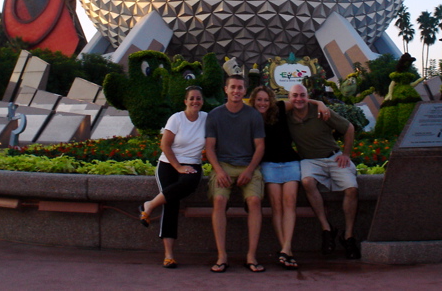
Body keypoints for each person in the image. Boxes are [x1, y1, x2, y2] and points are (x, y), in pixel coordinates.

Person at [249, 85, 331, 270]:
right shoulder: (251, 118)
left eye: (265, 99)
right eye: (259, 100)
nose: (263, 103)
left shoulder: (279, 108)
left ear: (270, 101)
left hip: (290, 162)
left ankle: (286, 249)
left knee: (290, 202)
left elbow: (299, 100)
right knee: (277, 206)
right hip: (268, 165)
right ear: (254, 101)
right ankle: (287, 251)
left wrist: (319, 103)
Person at [286, 83, 361, 260]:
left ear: (307, 96)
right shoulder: (287, 115)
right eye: (295, 96)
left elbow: (348, 128)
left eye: (302, 95)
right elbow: (271, 104)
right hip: (309, 160)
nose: (299, 99)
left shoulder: (320, 112)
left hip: (333, 157)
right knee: (307, 182)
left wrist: (346, 154)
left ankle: (348, 235)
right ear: (289, 99)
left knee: (352, 189)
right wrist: (317, 101)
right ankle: (326, 229)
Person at [139, 86, 206, 268]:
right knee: (171, 204)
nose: (195, 102)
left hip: (192, 164)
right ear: (185, 101)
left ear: (202, 101)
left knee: (189, 182)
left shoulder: (206, 118)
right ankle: (169, 255)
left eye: (198, 98)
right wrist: (178, 166)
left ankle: (150, 205)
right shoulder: (176, 119)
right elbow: (165, 145)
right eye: (191, 98)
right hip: (169, 164)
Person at [205, 74, 266, 273]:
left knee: (255, 201)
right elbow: (210, 148)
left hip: (248, 165)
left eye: (240, 88)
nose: (236, 91)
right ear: (226, 89)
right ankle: (222, 255)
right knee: (220, 201)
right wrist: (219, 170)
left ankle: (251, 255)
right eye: (233, 87)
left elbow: (260, 147)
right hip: (223, 165)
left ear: (245, 91)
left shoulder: (253, 115)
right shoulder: (215, 115)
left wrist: (249, 171)